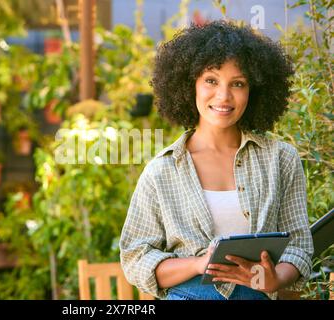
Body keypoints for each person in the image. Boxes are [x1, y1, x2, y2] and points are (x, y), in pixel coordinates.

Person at [119, 20, 314, 300]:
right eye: (211, 80)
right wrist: (198, 263)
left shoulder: (281, 159)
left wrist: (274, 279)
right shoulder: (161, 172)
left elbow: (299, 246)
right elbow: (136, 259)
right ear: (190, 86)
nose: (223, 96)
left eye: (238, 83)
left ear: (254, 90)